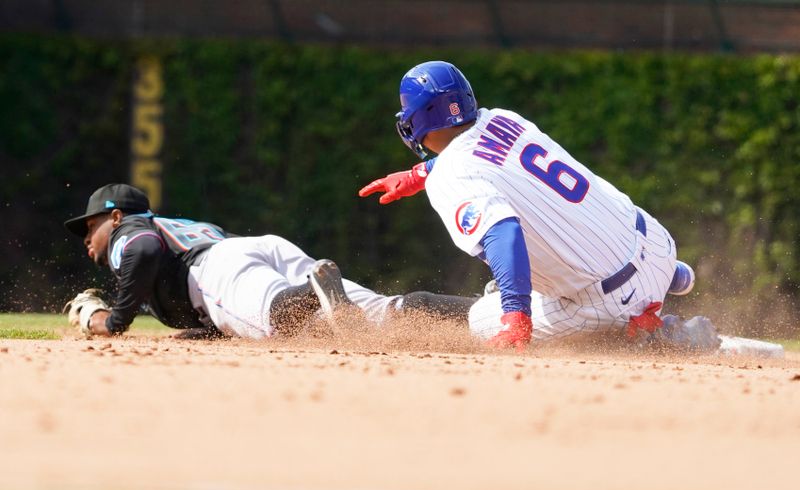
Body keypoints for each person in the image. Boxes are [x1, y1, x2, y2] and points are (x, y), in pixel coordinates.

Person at [359, 60, 696, 349]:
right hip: (658, 244)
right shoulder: (504, 120)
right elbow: (476, 154)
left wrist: (516, 315)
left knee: (480, 318)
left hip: (609, 302)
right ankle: (671, 279)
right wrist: (419, 173)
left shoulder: (451, 176)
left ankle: (659, 335)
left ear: (415, 121)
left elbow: (503, 232)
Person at [63, 183, 474, 339]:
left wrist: (114, 320)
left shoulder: (127, 233)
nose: (87, 239)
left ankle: (314, 290)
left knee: (279, 320)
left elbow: (144, 251)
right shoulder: (177, 225)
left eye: (90, 227)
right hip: (255, 251)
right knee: (386, 312)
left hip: (213, 273)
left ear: (115, 216)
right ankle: (486, 310)